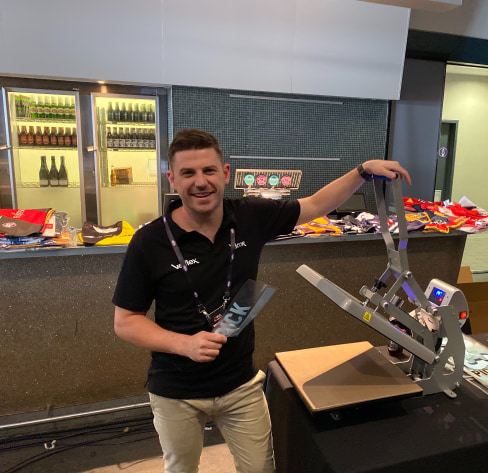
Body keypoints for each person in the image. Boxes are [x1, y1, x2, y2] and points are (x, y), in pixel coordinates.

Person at [113, 128, 411, 473]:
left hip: (240, 384)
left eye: (209, 170)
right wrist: (184, 344)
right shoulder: (149, 242)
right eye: (188, 173)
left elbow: (314, 205)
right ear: (172, 179)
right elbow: (126, 321)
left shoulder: (250, 215)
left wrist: (362, 170)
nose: (200, 182)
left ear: (225, 173)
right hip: (176, 390)